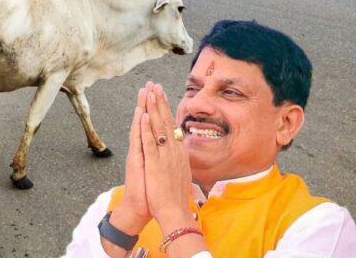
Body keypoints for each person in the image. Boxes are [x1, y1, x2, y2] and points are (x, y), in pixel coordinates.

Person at [65, 20, 356, 257]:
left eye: (230, 92)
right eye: (193, 89)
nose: (195, 105)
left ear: (286, 123)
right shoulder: (114, 205)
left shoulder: (317, 227)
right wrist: (127, 220)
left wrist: (173, 215)